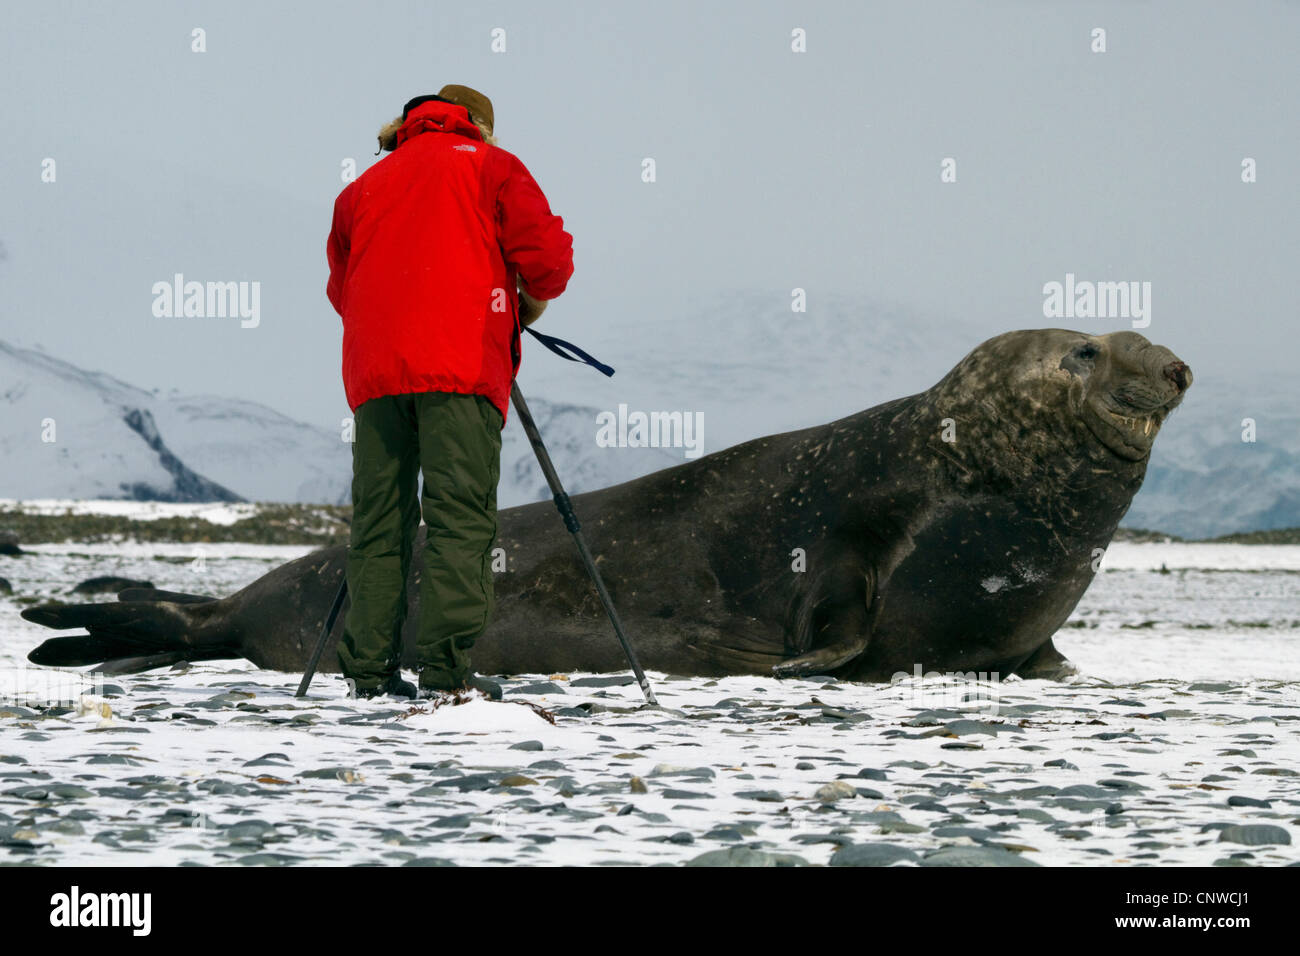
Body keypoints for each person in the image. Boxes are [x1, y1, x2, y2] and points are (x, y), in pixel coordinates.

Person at [326, 84, 574, 700]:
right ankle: (445, 673)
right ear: (479, 126)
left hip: (377, 376)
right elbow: (549, 262)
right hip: (460, 368)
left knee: (380, 524)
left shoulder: (360, 191)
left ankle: (369, 674)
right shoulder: (494, 167)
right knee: (457, 521)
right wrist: (513, 305)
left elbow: (343, 290)